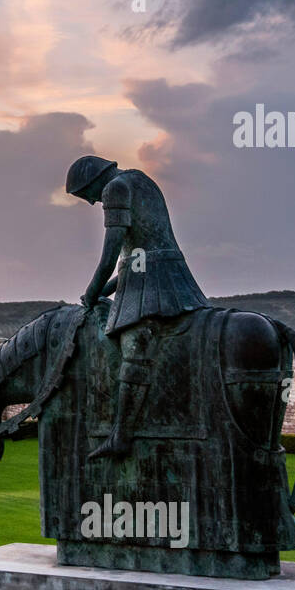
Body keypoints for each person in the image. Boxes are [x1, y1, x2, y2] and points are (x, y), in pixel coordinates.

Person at [65, 155, 210, 461]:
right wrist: (102, 291)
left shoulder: (115, 188)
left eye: (85, 195)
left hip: (155, 282)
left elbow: (111, 255)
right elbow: (136, 259)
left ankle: (120, 436)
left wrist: (92, 292)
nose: (91, 202)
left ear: (93, 182)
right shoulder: (140, 179)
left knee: (134, 345)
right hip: (159, 274)